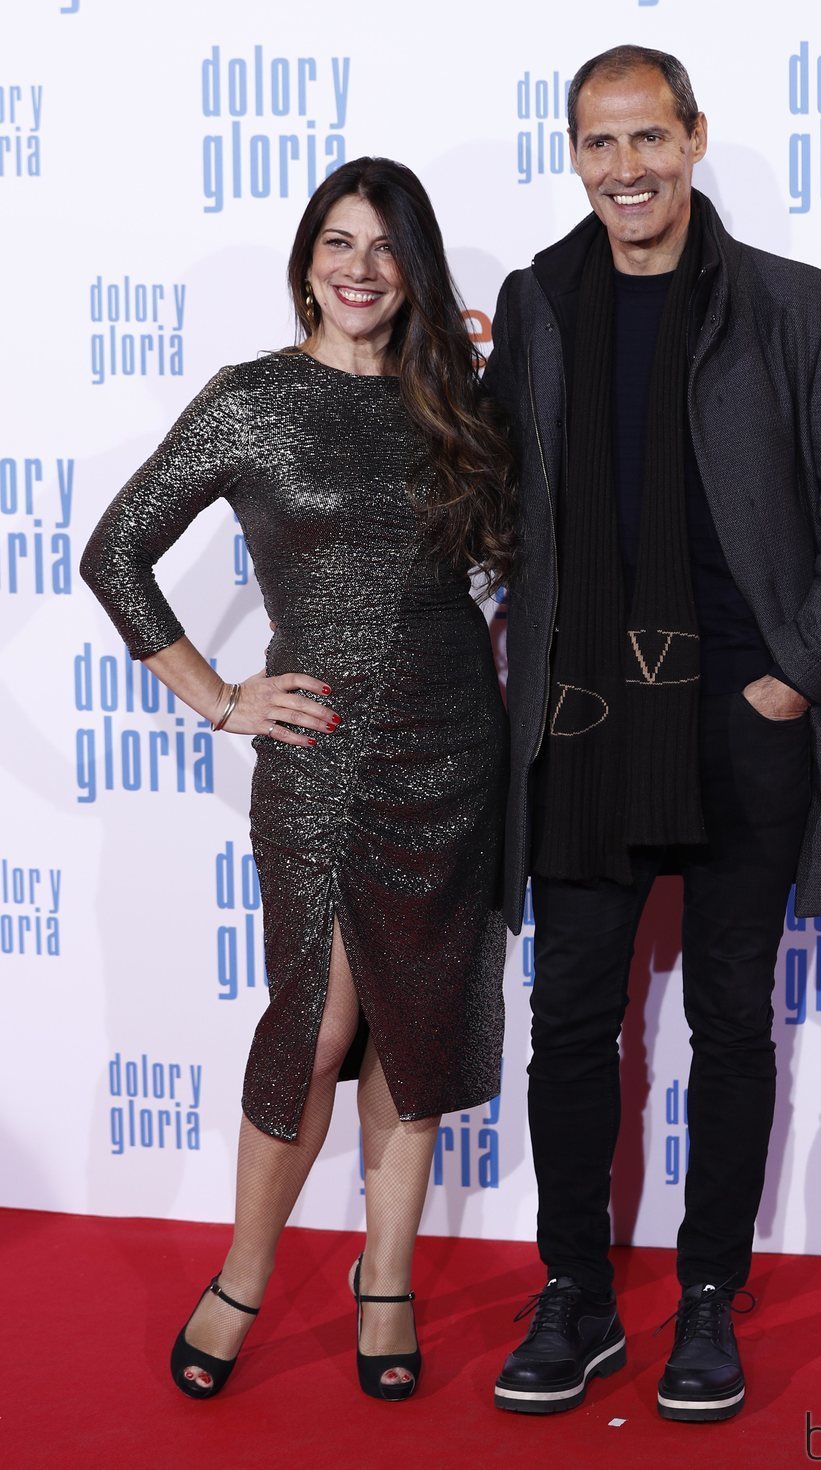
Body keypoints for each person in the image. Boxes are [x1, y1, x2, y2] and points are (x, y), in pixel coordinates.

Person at [484, 46, 821, 1421]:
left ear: (695, 137)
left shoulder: (804, 309)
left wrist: (785, 679)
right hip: (585, 723)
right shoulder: (537, 303)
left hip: (742, 723)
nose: (628, 169)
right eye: (600, 144)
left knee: (732, 1019)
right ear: (574, 156)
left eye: (649, 138)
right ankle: (577, 1293)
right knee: (570, 1026)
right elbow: (498, 503)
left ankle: (709, 1296)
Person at [81, 156, 515, 1404]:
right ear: (305, 258)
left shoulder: (462, 405)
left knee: (419, 1029)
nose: (360, 267)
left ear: (415, 267)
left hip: (451, 754)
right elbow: (116, 552)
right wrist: (220, 698)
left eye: (385, 247)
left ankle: (386, 1281)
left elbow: (518, 565)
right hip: (319, 761)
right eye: (338, 240)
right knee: (316, 1027)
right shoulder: (252, 398)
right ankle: (242, 1276)